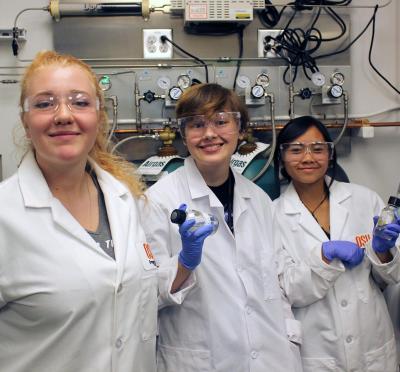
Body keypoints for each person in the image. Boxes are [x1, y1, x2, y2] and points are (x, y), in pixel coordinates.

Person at [0, 50, 198, 372]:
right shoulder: (5, 216)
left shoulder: (124, 200)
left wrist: (185, 264)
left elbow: (130, 299)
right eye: (44, 103)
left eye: (79, 102)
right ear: (25, 122)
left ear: (98, 116)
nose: (63, 115)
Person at [141, 83, 303, 372]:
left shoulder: (259, 200)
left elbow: (277, 285)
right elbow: (145, 295)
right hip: (201, 359)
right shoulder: (158, 201)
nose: (209, 134)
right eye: (196, 124)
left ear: (240, 129)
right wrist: (184, 264)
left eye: (221, 121)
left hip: (271, 358)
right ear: (183, 134)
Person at [273, 115, 400, 372]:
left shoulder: (365, 200)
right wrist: (323, 257)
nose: (308, 158)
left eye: (318, 149)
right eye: (296, 150)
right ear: (282, 158)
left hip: (372, 344)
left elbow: (393, 278)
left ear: (330, 154)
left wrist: (383, 251)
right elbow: (286, 290)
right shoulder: (272, 215)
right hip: (316, 351)